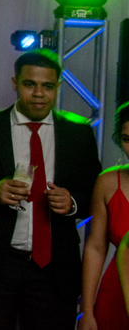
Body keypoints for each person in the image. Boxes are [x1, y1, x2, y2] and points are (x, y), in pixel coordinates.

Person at [0, 50, 101, 330]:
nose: (38, 93)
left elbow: (93, 193)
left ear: (58, 87)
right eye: (29, 84)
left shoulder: (78, 134)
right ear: (15, 83)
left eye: (47, 86)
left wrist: (71, 202)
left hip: (54, 268)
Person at [78, 101, 129, 330]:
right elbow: (96, 248)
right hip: (116, 292)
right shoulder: (108, 182)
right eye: (127, 140)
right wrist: (87, 311)